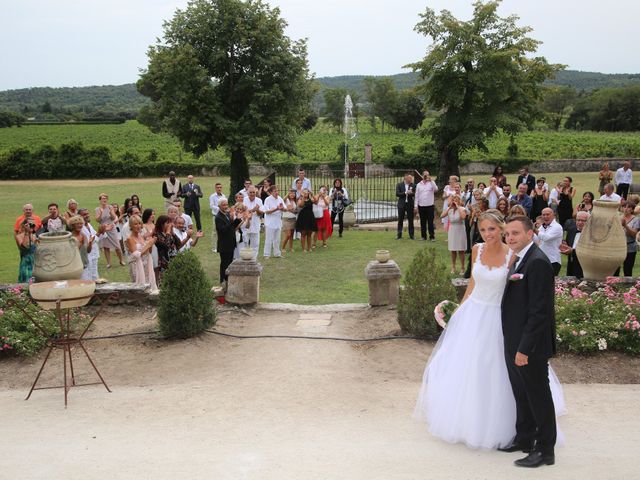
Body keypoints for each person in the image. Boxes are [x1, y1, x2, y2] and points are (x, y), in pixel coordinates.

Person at [415, 211, 564, 453]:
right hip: (474, 315)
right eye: (483, 230)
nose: (487, 234)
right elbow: (472, 285)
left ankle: (520, 433)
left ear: (502, 229)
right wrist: (457, 313)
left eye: (492, 229)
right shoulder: (477, 250)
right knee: (470, 369)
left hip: (501, 318)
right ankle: (478, 423)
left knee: (504, 373)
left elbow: (524, 297)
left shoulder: (514, 255)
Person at [501, 215, 561, 468]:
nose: (510, 237)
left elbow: (540, 312)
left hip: (530, 345)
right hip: (515, 339)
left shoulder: (537, 262)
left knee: (538, 395)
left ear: (529, 234)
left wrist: (524, 348)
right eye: (508, 234)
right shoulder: (520, 259)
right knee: (521, 391)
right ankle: (524, 437)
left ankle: (545, 450)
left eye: (515, 233)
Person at [126, 215, 158, 292]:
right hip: (136, 266)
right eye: (135, 224)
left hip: (146, 264)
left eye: (140, 223)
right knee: (139, 288)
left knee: (148, 285)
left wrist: (151, 243)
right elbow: (136, 255)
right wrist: (148, 245)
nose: (138, 226)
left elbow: (148, 252)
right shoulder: (129, 238)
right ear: (131, 226)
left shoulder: (141, 236)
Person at [215, 199, 242, 285]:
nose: (226, 206)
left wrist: (237, 219)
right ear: (219, 206)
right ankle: (223, 280)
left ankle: (228, 279)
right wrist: (233, 221)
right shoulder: (218, 217)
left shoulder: (227, 214)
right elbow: (223, 229)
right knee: (224, 263)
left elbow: (232, 227)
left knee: (230, 262)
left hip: (230, 243)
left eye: (226, 204)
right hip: (224, 244)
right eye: (223, 205)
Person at [95, 193, 125, 268]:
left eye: (105, 198)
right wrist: (101, 213)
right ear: (100, 200)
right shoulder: (97, 209)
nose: (104, 200)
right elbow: (97, 220)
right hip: (103, 228)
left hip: (111, 227)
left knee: (117, 245)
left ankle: (121, 260)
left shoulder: (110, 207)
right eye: (102, 198)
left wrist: (111, 212)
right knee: (106, 246)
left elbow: (113, 217)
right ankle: (109, 263)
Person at [441, 195, 467, 274]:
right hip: (452, 229)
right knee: (453, 250)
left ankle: (462, 267)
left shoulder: (463, 209)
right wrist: (449, 207)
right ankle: (453, 266)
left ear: (459, 201)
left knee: (461, 250)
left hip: (460, 229)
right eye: (453, 200)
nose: (454, 202)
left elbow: (463, 217)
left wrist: (458, 207)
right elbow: (442, 216)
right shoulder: (449, 210)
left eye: (456, 200)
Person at [534, 208, 563, 275]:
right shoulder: (542, 227)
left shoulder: (557, 227)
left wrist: (535, 230)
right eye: (543, 215)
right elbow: (536, 239)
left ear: (553, 215)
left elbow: (546, 238)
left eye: (548, 214)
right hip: (541, 259)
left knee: (549, 284)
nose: (545, 216)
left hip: (553, 261)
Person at [560, 211, 588, 279]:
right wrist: (565, 248)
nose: (580, 222)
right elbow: (568, 245)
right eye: (578, 220)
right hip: (571, 263)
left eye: (583, 220)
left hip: (585, 265)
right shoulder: (571, 231)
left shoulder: (591, 235)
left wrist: (572, 251)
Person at [616, 202, 640, 276]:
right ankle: (613, 285)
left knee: (627, 270)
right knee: (615, 269)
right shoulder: (617, 217)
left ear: (632, 209)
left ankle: (627, 286)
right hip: (617, 247)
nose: (626, 209)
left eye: (629, 207)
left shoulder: (636, 219)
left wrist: (626, 226)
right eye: (624, 206)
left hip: (630, 248)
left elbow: (634, 234)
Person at [79, 208, 103, 282]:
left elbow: (94, 237)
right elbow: (89, 242)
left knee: (95, 275)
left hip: (94, 254)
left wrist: (103, 231)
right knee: (86, 276)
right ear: (79, 217)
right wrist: (99, 233)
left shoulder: (89, 225)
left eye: (87, 213)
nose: (87, 215)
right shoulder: (80, 229)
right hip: (86, 256)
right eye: (84, 214)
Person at [415, 170, 439, 241]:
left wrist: (431, 181)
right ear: (422, 176)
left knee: (430, 222)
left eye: (427, 175)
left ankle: (432, 236)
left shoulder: (431, 183)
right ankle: (423, 236)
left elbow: (436, 189)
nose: (426, 176)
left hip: (430, 205)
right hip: (421, 206)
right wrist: (415, 206)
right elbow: (417, 196)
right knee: (423, 222)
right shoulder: (419, 185)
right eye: (425, 175)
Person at [154, 215, 179, 280]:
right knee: (165, 281)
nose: (169, 225)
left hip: (174, 259)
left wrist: (173, 233)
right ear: (161, 224)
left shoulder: (170, 233)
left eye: (170, 223)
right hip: (164, 262)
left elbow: (179, 243)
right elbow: (166, 246)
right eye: (167, 223)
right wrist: (168, 232)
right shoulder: (157, 235)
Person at [263, 185, 285, 258]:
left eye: (277, 191)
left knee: (277, 239)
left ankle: (277, 254)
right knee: (269, 239)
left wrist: (282, 208)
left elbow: (284, 208)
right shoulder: (267, 199)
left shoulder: (280, 199)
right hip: (270, 223)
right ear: (271, 192)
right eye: (275, 191)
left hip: (278, 222)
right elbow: (267, 211)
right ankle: (267, 254)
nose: (277, 192)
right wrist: (277, 208)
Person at [243, 186, 264, 260]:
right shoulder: (244, 200)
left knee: (255, 244)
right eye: (250, 192)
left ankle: (253, 259)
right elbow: (242, 212)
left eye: (253, 192)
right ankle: (244, 258)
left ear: (256, 193)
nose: (252, 194)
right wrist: (253, 210)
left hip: (255, 224)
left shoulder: (259, 200)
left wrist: (257, 209)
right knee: (244, 242)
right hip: (245, 225)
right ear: (248, 193)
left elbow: (261, 213)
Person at [395, 173, 415, 239]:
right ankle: (399, 235)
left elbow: (415, 193)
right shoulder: (399, 185)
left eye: (411, 178)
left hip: (410, 204)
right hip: (401, 204)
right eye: (410, 178)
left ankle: (411, 235)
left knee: (411, 220)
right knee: (400, 220)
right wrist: (406, 192)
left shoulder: (413, 185)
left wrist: (411, 193)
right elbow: (397, 194)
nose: (411, 179)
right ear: (406, 178)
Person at [209, 183, 226, 253]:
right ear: (215, 188)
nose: (219, 189)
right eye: (218, 187)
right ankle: (214, 247)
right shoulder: (212, 196)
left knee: (222, 231)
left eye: (220, 187)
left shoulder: (224, 196)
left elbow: (225, 205)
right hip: (216, 216)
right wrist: (220, 208)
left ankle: (221, 246)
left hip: (223, 216)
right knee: (215, 232)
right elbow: (211, 206)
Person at [281, 189, 298, 253]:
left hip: (293, 219)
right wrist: (288, 193)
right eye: (291, 193)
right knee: (288, 234)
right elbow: (283, 200)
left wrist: (292, 210)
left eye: (293, 193)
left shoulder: (295, 201)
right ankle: (283, 248)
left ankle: (291, 248)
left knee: (291, 235)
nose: (292, 194)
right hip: (286, 219)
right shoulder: (286, 200)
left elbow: (296, 211)